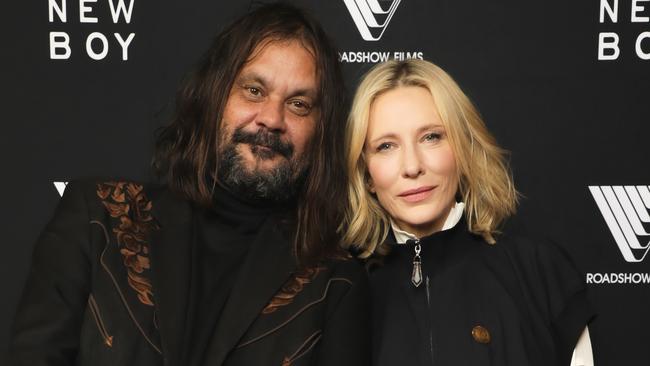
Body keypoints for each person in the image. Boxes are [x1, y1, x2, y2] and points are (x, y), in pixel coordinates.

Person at [8, 4, 369, 366]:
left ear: (320, 131)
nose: (272, 119)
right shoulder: (97, 217)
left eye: (298, 104)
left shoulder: (334, 280)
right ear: (214, 94)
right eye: (254, 90)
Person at [340, 59, 595, 366]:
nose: (412, 166)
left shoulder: (538, 271)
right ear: (366, 174)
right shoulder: (340, 290)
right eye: (386, 146)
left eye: (431, 137)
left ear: (462, 148)